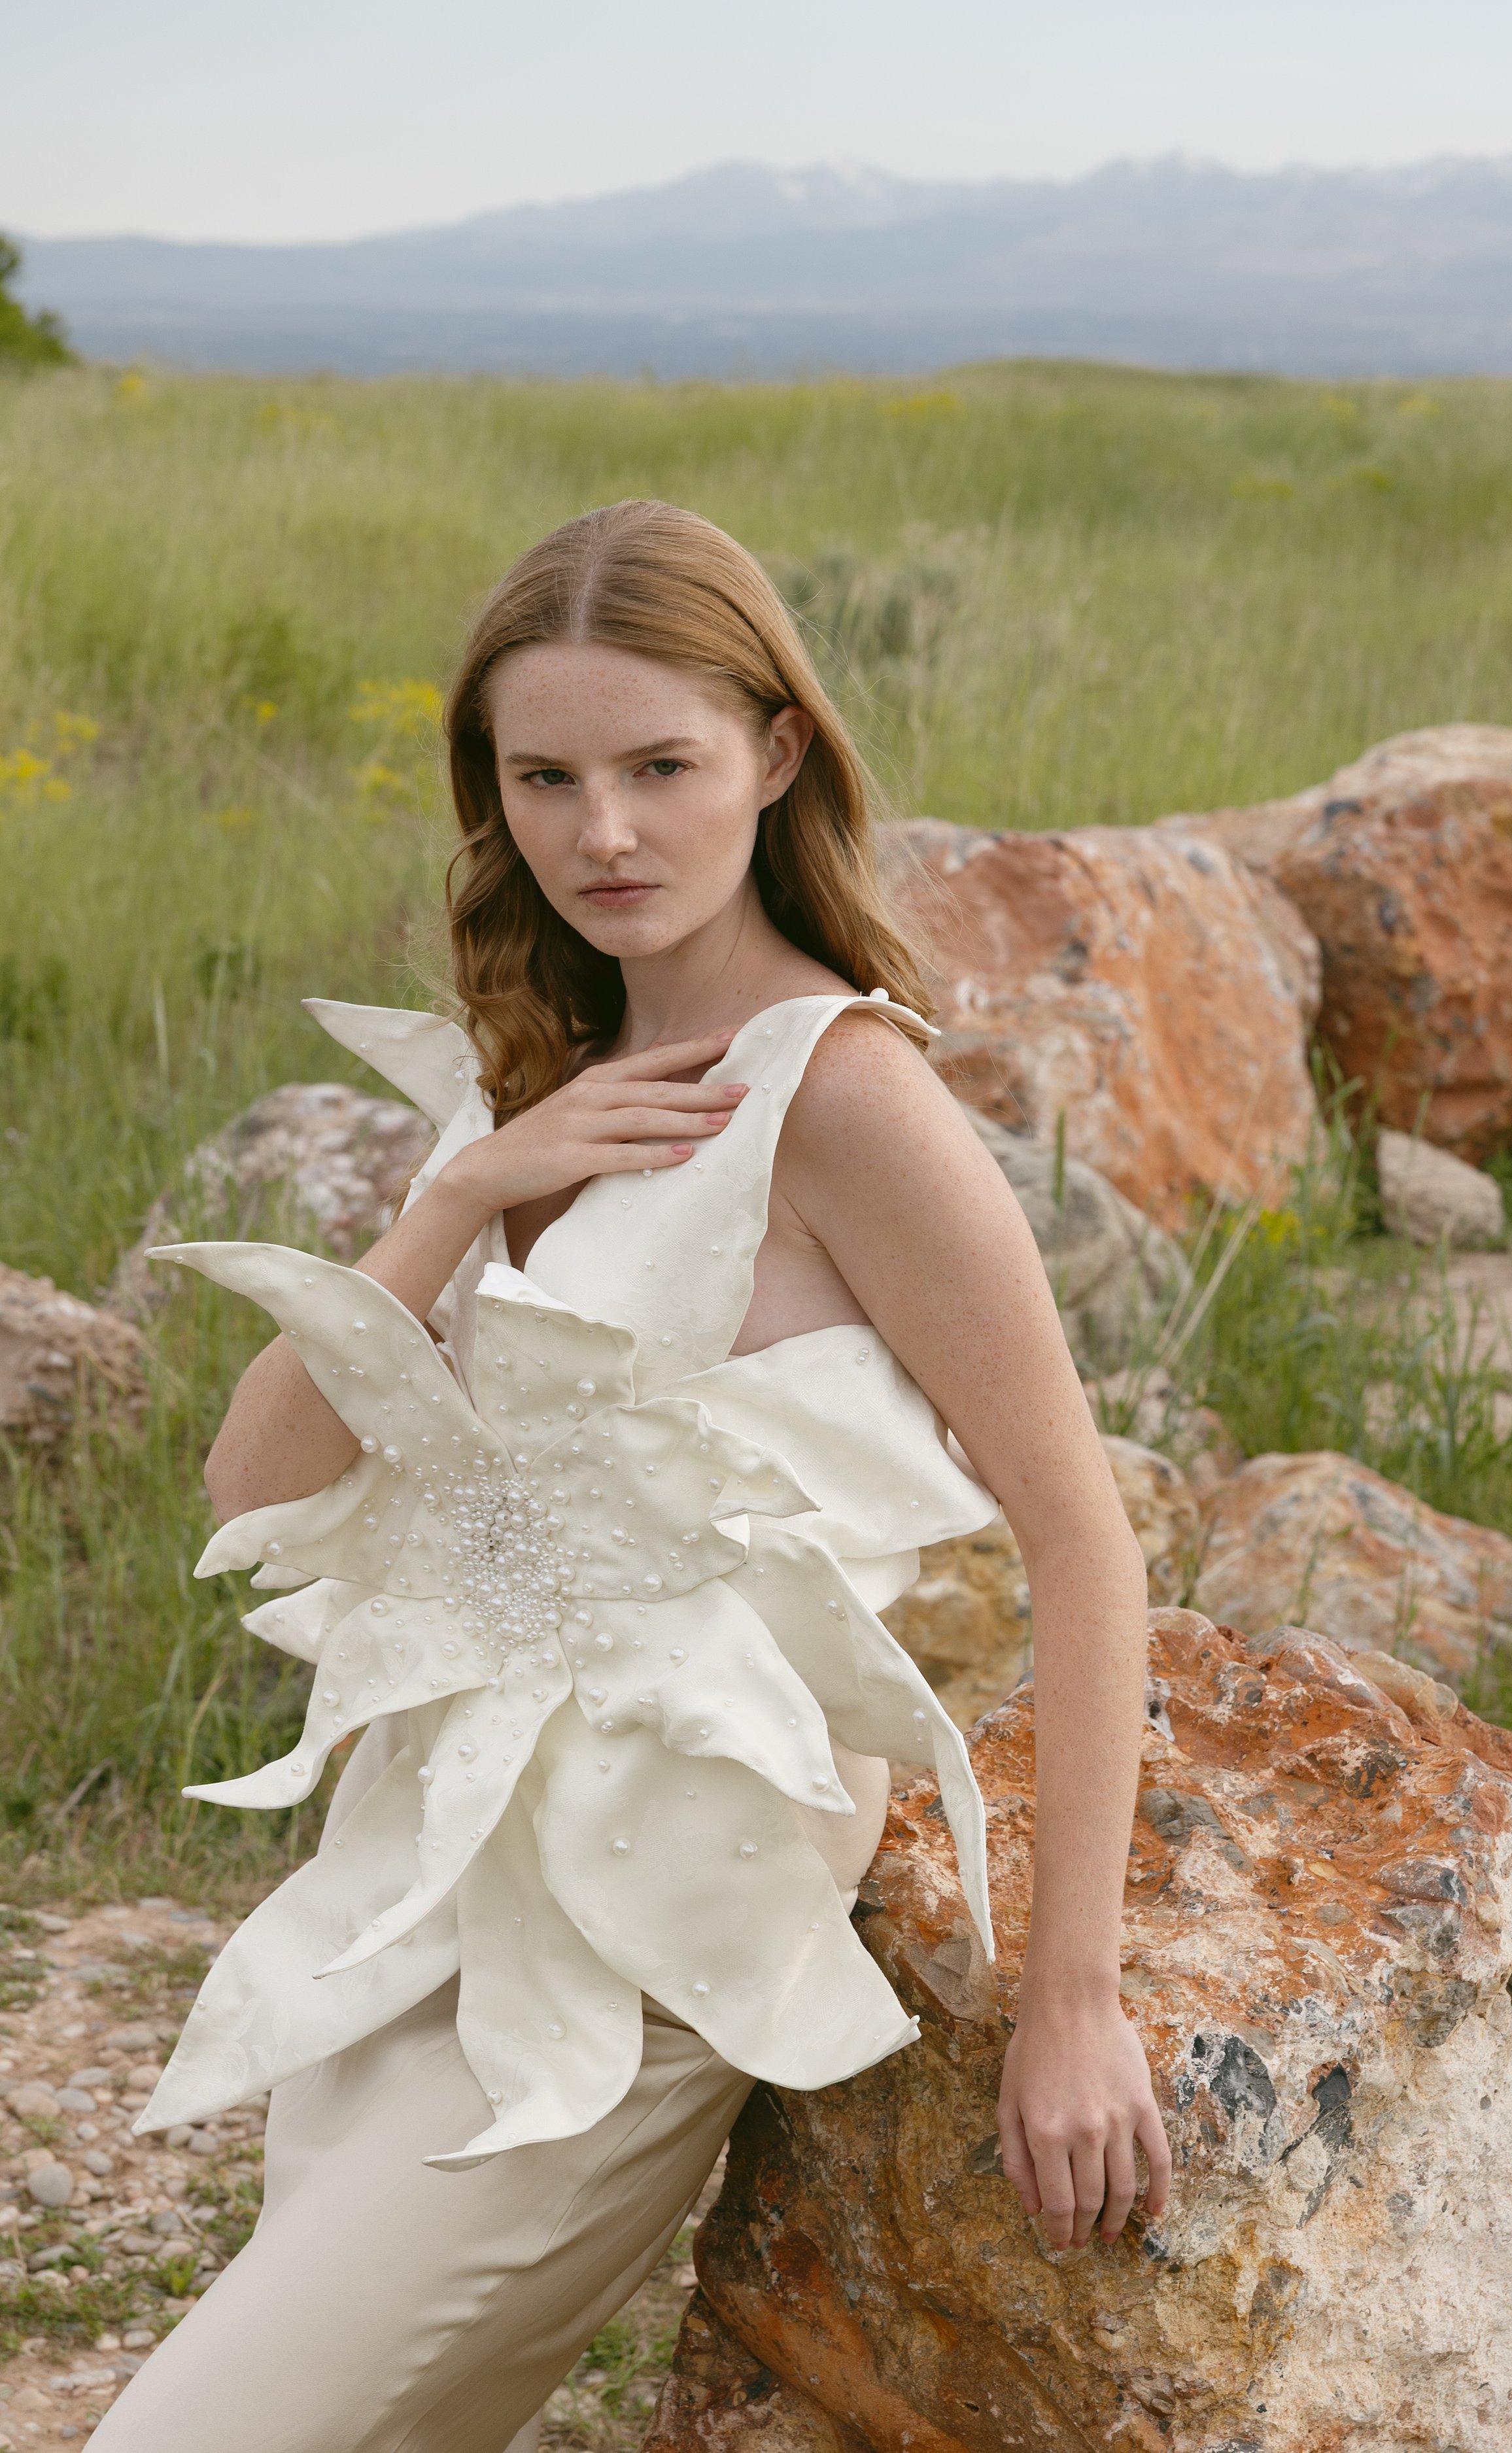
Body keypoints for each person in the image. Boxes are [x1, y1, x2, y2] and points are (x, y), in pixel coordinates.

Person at [94, 499, 1169, 2453]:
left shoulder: (846, 1098)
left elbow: (1082, 1540)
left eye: (661, 767)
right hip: (434, 1868)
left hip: (674, 1903)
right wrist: (466, 1190)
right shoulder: (544, 1082)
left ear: (775, 754)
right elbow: (252, 1485)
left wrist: (1070, 2001)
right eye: (546, 778)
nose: (603, 834)